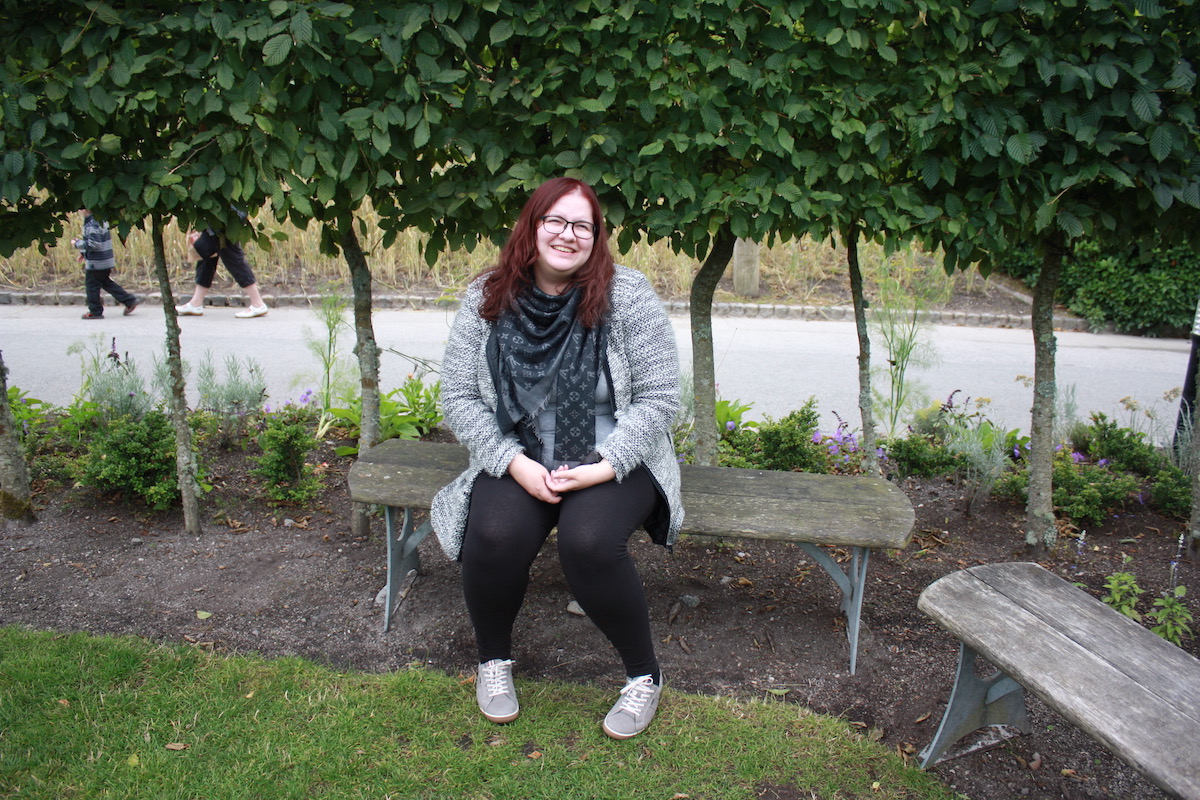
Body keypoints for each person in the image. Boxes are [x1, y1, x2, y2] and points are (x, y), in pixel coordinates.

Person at [430, 177, 683, 740]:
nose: (567, 235)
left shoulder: (627, 294)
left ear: (596, 238)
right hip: (521, 454)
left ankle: (644, 677)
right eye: (556, 221)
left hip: (615, 454)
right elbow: (458, 397)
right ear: (532, 225)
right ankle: (493, 663)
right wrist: (510, 461)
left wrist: (605, 464)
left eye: (582, 226)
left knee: (589, 541)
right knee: (491, 532)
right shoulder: (487, 297)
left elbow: (662, 395)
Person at [175, 219, 268, 318]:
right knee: (206, 254)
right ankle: (196, 303)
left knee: (232, 257)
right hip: (214, 218)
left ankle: (258, 303)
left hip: (226, 218)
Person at [73, 209, 138, 320]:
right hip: (105, 260)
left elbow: (95, 244)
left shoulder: (91, 224)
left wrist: (77, 243)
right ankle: (129, 300)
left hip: (96, 262)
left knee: (91, 286)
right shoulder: (101, 220)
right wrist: (84, 254)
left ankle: (95, 311)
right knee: (105, 282)